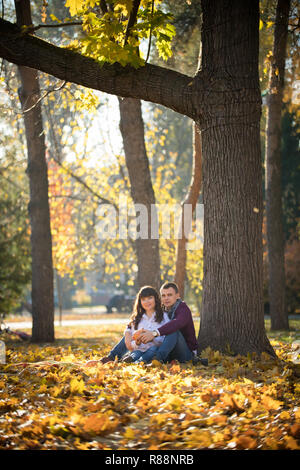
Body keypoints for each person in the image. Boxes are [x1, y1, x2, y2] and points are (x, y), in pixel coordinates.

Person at [89, 286, 169, 365]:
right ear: (140, 302)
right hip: (139, 349)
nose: (147, 301)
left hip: (154, 349)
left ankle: (138, 362)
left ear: (156, 298)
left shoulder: (164, 316)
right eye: (143, 299)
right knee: (136, 353)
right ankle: (122, 360)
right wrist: (137, 342)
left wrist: (152, 337)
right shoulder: (137, 319)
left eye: (150, 298)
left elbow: (167, 338)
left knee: (152, 350)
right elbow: (132, 342)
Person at [138, 281, 200, 364]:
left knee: (174, 331)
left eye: (169, 295)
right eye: (163, 295)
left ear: (177, 296)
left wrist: (154, 333)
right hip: (170, 353)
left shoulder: (183, 309)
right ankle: (118, 355)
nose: (166, 298)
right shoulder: (163, 310)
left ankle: (157, 360)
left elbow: (176, 323)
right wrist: (130, 328)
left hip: (186, 353)